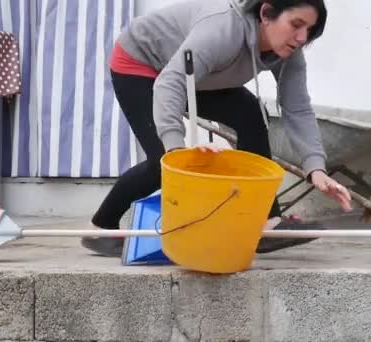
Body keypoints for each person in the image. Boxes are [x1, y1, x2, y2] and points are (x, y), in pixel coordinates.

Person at [82, 0, 353, 257]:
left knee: (250, 116)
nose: (302, 38)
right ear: (266, 13)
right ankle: (101, 228)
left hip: (197, 75)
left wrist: (315, 170)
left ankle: (266, 223)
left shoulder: (288, 53)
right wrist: (177, 151)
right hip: (141, 63)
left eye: (310, 31)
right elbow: (170, 83)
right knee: (163, 163)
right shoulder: (223, 30)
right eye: (296, 25)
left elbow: (298, 108)